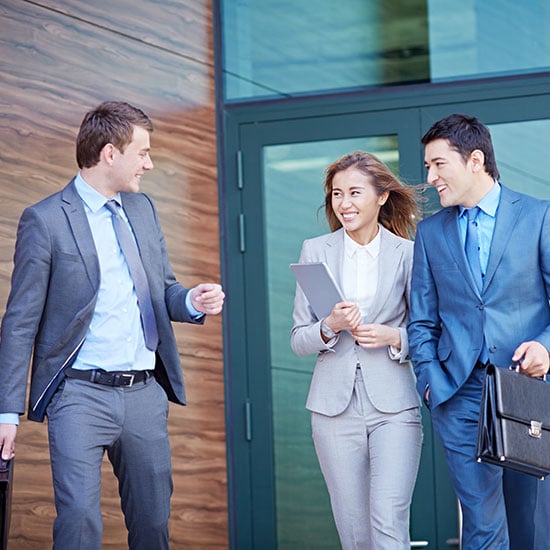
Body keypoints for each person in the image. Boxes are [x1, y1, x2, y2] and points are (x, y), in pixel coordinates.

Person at [0, 101, 225, 549]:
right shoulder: (45, 221)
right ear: (109, 153)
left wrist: (193, 300)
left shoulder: (142, 209)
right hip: (79, 396)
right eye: (141, 153)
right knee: (80, 521)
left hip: (144, 394)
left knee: (152, 524)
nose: (150, 163)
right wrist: (7, 412)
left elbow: (163, 291)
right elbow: (19, 322)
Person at [408, 113, 550, 549]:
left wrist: (547, 348)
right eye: (428, 167)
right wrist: (430, 382)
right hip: (458, 394)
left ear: (475, 160)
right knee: (482, 521)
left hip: (525, 390)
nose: (430, 178)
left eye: (437, 165)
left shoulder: (539, 216)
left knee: (530, 524)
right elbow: (421, 319)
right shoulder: (430, 233)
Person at [290, 151, 423, 549]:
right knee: (354, 531)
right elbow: (299, 339)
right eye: (335, 194)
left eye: (354, 192)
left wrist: (393, 336)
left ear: (382, 196)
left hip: (395, 407)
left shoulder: (409, 254)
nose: (344, 203)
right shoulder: (315, 251)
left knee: (388, 519)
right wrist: (329, 327)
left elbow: (430, 334)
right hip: (333, 409)